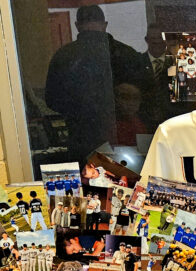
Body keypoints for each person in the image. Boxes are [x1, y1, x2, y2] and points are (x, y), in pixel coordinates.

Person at [45, 6, 151, 160]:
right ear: (105, 24)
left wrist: (77, 111)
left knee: (87, 180)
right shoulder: (127, 54)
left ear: (77, 26)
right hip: (126, 138)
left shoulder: (63, 57)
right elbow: (149, 95)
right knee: (128, 180)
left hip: (81, 136)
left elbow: (52, 100)